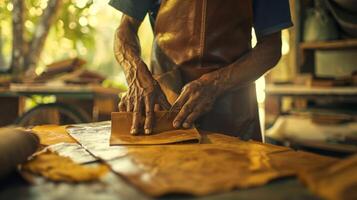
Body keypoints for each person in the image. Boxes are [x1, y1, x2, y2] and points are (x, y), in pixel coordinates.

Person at [110, 0, 292, 141]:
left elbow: (271, 47)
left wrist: (215, 83)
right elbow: (124, 29)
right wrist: (135, 71)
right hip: (165, 111)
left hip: (234, 116)